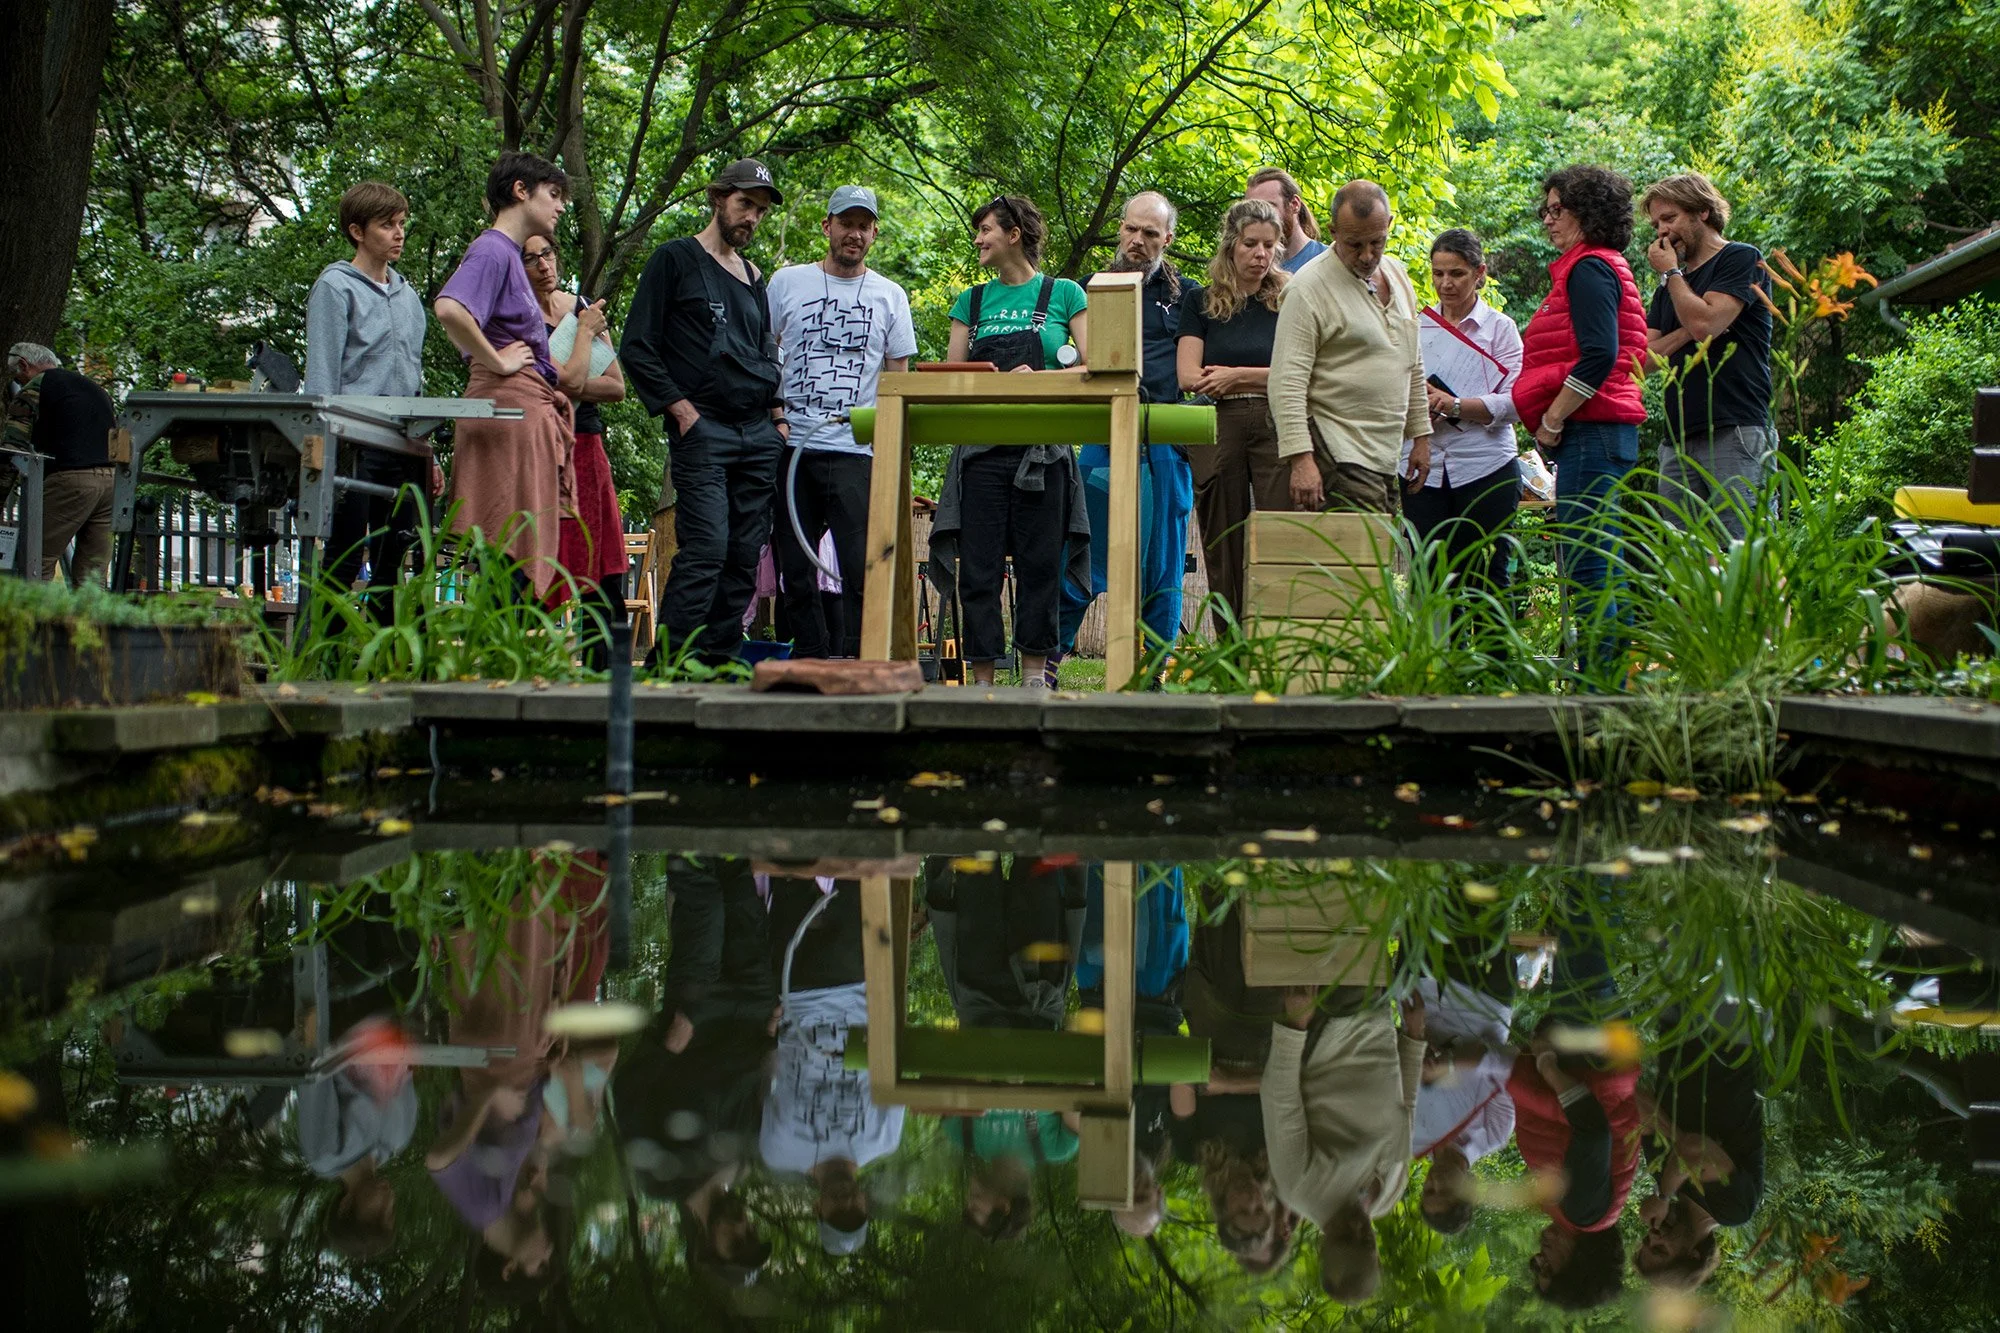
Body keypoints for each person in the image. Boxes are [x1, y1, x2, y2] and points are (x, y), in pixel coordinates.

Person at [621, 159, 790, 665]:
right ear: (718, 199)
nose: (752, 219)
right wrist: (682, 412)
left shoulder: (755, 278)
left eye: (760, 211)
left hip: (758, 432)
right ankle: (669, 668)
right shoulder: (674, 260)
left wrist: (778, 422)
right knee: (707, 548)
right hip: (704, 430)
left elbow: (766, 353)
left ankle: (715, 663)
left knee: (744, 554)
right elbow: (637, 346)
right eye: (745, 205)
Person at [930, 195, 1091, 687]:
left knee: (1040, 566)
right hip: (980, 454)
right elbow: (950, 380)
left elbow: (1094, 369)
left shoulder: (1064, 294)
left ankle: (1035, 680)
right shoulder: (971, 301)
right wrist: (995, 381)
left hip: (1044, 453)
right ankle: (982, 683)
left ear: (1014, 234)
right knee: (977, 571)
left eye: (985, 229)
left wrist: (1036, 382)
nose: (977, 238)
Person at [765, 186, 918, 659]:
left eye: (863, 225)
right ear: (827, 226)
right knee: (795, 567)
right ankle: (810, 658)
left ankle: (859, 659)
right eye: (845, 223)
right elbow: (763, 355)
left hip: (856, 449)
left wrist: (895, 453)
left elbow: (899, 379)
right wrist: (775, 418)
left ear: (874, 233)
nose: (854, 234)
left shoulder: (890, 295)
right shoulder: (786, 283)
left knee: (862, 566)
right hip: (793, 446)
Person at [433, 151, 583, 600]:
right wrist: (497, 361)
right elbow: (449, 308)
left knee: (517, 554)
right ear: (521, 190)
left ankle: (509, 663)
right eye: (553, 195)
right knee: (510, 553)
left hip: (521, 413)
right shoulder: (493, 248)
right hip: (507, 413)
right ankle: (503, 664)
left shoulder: (509, 257)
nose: (560, 207)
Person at [1512, 165, 1650, 652]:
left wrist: (1552, 420)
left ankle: (1598, 691)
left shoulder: (1590, 267)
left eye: (1558, 210)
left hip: (1592, 431)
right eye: (1545, 211)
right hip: (1601, 433)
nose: (1547, 220)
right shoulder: (1596, 265)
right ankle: (1614, 686)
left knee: (1590, 562)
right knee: (1602, 558)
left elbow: (1599, 355)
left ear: (1587, 214)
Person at [1060, 191, 1199, 672]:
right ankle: (1051, 660)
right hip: (1100, 439)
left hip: (1163, 439)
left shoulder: (1189, 295)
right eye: (1131, 230)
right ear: (1120, 228)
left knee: (1162, 562)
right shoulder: (1085, 289)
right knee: (1080, 546)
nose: (1137, 241)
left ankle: (1155, 668)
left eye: (1151, 233)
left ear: (1168, 239)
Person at [305, 182, 436, 620]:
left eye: (401, 224)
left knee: (392, 561)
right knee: (343, 554)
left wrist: (426, 453)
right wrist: (319, 449)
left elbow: (414, 383)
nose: (399, 234)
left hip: (400, 444)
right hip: (351, 443)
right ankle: (323, 662)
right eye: (387, 225)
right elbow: (321, 378)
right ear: (357, 231)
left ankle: (383, 668)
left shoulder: (410, 297)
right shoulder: (335, 288)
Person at [760, 875, 905, 1256]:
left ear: (817, 1210)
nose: (845, 1204)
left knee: (792, 871)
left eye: (835, 1214)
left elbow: (762, 1078)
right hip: (857, 984)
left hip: (795, 992)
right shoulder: (883, 1141)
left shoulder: (777, 1151)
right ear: (865, 1205)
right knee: (855, 872)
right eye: (854, 1212)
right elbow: (897, 1063)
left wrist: (766, 1030)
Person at [1269, 181, 1431, 518]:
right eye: (1354, 244)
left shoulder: (1398, 275)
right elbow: (1286, 382)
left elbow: (1410, 361)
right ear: (1333, 231)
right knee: (1359, 564)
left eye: (1377, 242)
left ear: (1388, 226)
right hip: (1338, 451)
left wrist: (1420, 435)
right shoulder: (1307, 289)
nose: (1367, 255)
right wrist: (1301, 460)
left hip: (1386, 454)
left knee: (1375, 562)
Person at [1506, 901, 1640, 1310]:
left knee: (1582, 935)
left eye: (1536, 1267)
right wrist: (1540, 1070)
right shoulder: (1586, 1214)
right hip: (1589, 1056)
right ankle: (1600, 846)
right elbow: (1593, 1128)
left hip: (1586, 1054)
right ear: (1580, 1265)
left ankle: (1594, 851)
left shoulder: (1582, 1212)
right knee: (1586, 926)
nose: (1539, 1258)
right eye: (1548, 1269)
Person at [1263, 983, 1426, 1303]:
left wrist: (1296, 1022)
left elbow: (1279, 1097)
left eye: (1343, 1239)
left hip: (1331, 1027)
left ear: (1322, 1248)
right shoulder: (1390, 1194)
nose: (1356, 1228)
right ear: (1377, 1256)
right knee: (1375, 942)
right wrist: (1414, 1038)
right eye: (1365, 1242)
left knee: (1358, 938)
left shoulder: (1299, 1188)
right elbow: (1403, 1109)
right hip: (1379, 1025)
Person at [1177, 197, 1291, 632]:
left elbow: (1301, 374)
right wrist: (1264, 375)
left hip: (1275, 422)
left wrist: (1237, 376)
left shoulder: (1289, 295)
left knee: (1280, 532)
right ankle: (1231, 650)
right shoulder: (1200, 300)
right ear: (1231, 246)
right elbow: (1189, 375)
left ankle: (1278, 644)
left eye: (1269, 245)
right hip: (1216, 423)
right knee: (1223, 541)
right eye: (1250, 244)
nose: (1260, 255)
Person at [1642, 172, 1775, 539]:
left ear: (1702, 211)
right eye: (1655, 224)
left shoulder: (1741, 258)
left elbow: (1706, 325)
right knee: (1687, 568)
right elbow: (1644, 360)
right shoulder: (1668, 289)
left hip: (1735, 428)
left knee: (1746, 553)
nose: (1662, 233)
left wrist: (1671, 275)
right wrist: (1688, 327)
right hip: (1677, 439)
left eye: (1669, 219)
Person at [1403, 229, 1524, 606]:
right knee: (1431, 581)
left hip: (1485, 467)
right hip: (1423, 467)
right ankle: (1438, 664)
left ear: (1479, 273)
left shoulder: (1500, 329)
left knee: (1488, 579)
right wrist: (1415, 406)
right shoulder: (1415, 327)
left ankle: (1493, 665)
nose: (1445, 284)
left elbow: (1515, 404)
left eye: (1456, 273)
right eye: (1438, 274)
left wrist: (1453, 405)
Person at [525, 235, 629, 668]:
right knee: (541, 556)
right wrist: (571, 374)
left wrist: (570, 378)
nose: (543, 265)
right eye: (530, 259)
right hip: (540, 448)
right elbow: (546, 385)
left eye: (547, 254)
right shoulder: (517, 315)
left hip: (587, 444)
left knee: (603, 564)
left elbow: (617, 386)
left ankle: (607, 673)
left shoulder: (581, 308)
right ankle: (533, 668)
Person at [1634, 1015, 1766, 1289]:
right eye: (1660, 1249)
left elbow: (1637, 1102)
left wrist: (1676, 1143)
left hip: (1676, 1027)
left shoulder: (1664, 1178)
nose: (1654, 1235)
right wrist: (1663, 1193)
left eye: (1647, 1241)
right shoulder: (1732, 1210)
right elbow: (1697, 1148)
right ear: (1693, 1254)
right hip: (1730, 1034)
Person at [1409, 953, 1519, 1236]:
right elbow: (1512, 1066)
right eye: (1443, 1190)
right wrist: (1449, 1064)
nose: (1434, 1181)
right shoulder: (1494, 1134)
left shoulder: (1412, 1138)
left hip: (1424, 993)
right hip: (1482, 999)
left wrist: (1414, 1035)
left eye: (1428, 1190)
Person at [297, 1015, 418, 1259]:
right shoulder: (400, 1139)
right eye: (391, 1213)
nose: (389, 1201)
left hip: (349, 1009)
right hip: (400, 1007)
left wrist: (312, 1012)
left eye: (377, 1213)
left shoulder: (326, 1154)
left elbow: (313, 1068)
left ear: (345, 1206)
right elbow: (408, 1066)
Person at [3, 342, 116, 586]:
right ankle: (88, 624)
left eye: (17, 376)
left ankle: (33, 624)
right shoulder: (94, 388)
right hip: (111, 484)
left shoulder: (36, 388)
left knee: (34, 560)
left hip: (71, 480)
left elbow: (13, 448)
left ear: (24, 365)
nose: (19, 382)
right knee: (93, 576)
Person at [1245, 168, 1327, 273]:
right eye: (1251, 210)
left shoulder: (1326, 261)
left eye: (1268, 207)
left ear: (1294, 204)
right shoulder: (1247, 268)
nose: (1258, 217)